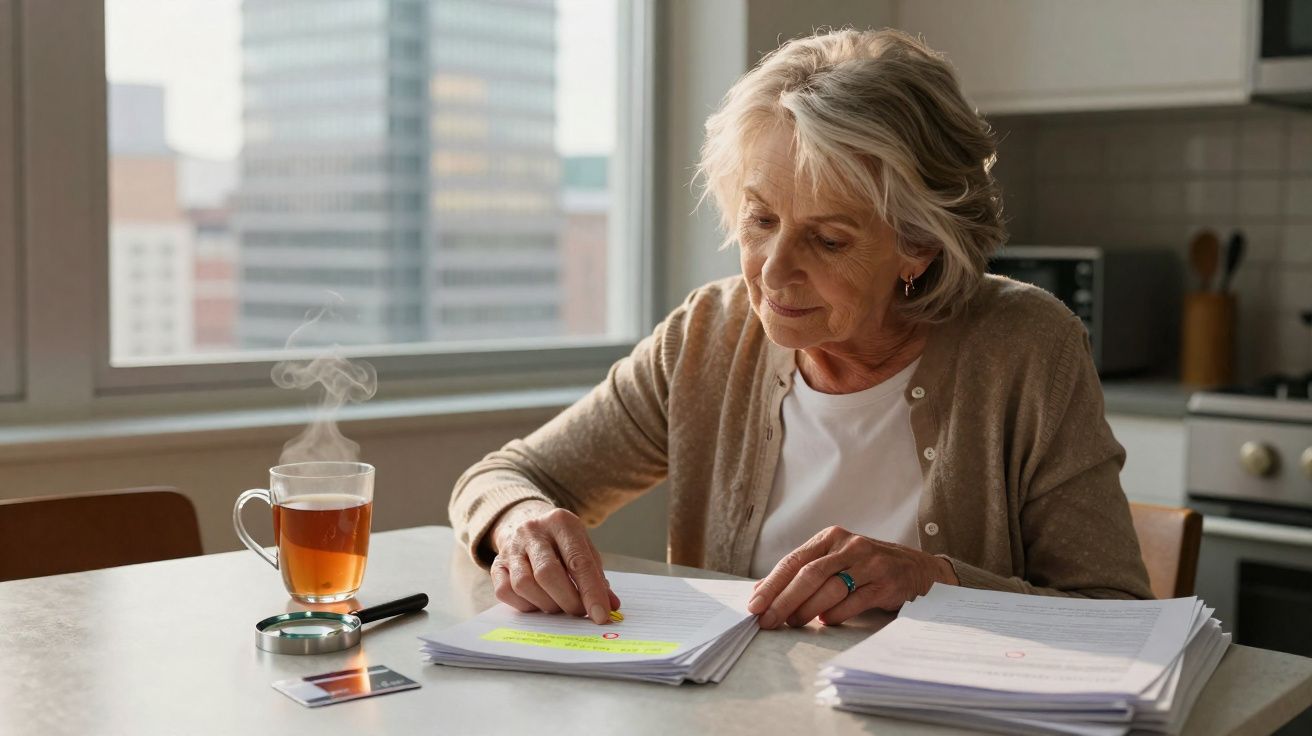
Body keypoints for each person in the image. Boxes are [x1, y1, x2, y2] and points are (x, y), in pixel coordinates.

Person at [448, 27, 1152, 630]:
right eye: (760, 220)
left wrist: (929, 578)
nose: (773, 272)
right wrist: (521, 524)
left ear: (920, 245)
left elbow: (1113, 614)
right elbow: (507, 475)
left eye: (829, 240)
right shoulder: (707, 337)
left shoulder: (1027, 347)